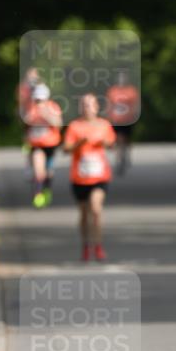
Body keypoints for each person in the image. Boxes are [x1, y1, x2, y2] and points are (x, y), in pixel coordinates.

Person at [64, 94, 116, 261]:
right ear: (80, 108)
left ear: (96, 107)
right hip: (79, 177)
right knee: (84, 214)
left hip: (99, 176)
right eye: (84, 105)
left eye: (90, 104)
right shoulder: (74, 126)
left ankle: (98, 246)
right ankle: (86, 245)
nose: (87, 108)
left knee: (96, 209)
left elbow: (112, 144)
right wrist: (80, 142)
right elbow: (66, 149)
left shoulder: (104, 125)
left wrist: (103, 143)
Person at [22, 83, 63, 208]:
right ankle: (38, 194)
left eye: (41, 99)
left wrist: (46, 115)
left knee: (48, 173)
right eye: (37, 99)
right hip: (36, 145)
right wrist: (28, 119)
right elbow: (25, 125)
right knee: (38, 171)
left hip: (50, 145)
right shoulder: (31, 108)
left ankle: (47, 189)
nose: (38, 101)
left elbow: (59, 124)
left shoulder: (53, 107)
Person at [105, 70, 140, 174]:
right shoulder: (113, 91)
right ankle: (119, 159)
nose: (121, 80)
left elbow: (136, 104)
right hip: (116, 119)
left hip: (128, 119)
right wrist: (108, 116)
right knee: (117, 139)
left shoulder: (131, 91)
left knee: (127, 139)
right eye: (120, 78)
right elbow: (109, 105)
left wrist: (134, 115)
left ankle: (126, 154)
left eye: (123, 78)